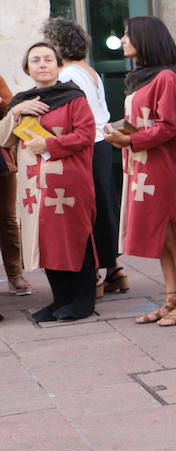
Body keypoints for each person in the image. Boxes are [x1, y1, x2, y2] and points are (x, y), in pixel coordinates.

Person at [105, 16, 176, 327]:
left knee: (173, 234)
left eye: (128, 34)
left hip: (163, 167)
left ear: (146, 39)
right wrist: (122, 136)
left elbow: (168, 126)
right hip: (142, 165)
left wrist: (129, 139)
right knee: (160, 236)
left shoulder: (167, 78)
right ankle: (171, 299)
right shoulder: (141, 77)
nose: (123, 39)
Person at [0, 42, 97, 321]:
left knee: (74, 238)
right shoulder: (22, 101)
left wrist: (50, 144)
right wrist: (16, 113)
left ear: (58, 65)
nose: (42, 64)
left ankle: (82, 301)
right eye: (36, 60)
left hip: (68, 182)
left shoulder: (74, 97)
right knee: (47, 241)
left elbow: (85, 135)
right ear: (27, 68)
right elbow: (3, 139)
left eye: (48, 59)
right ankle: (61, 300)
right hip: (34, 187)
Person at [43, 18, 125, 299]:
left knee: (89, 209)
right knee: (103, 205)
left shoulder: (67, 75)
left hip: (87, 144)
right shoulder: (88, 70)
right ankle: (114, 270)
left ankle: (97, 277)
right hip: (101, 142)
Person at [0, 75, 30, 298]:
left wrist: (1, 104)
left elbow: (12, 109)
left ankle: (15, 274)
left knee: (7, 218)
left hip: (1, 161)